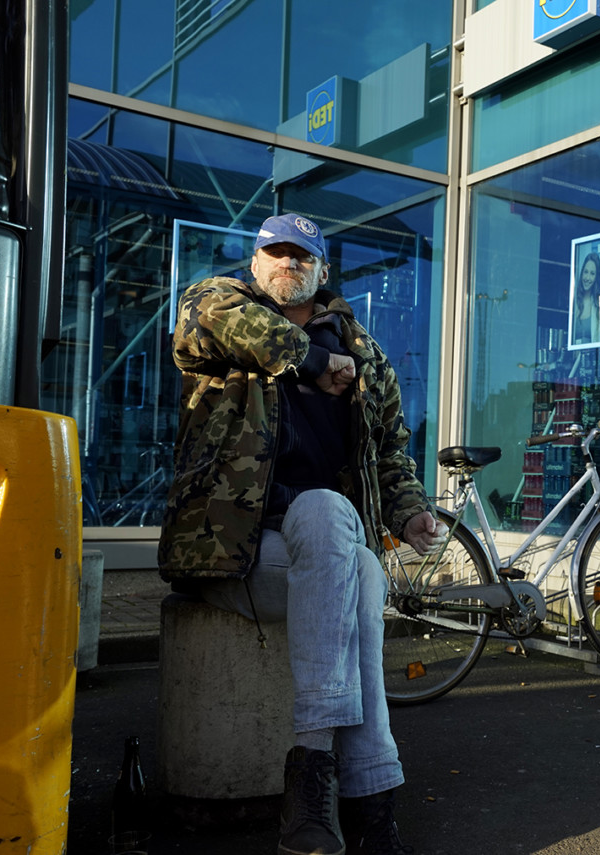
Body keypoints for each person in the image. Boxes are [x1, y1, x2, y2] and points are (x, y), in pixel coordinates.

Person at [158, 213, 443, 855]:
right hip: (233, 559)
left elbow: (392, 452)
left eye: (302, 254)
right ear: (256, 264)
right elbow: (217, 319)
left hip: (322, 554)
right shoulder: (217, 310)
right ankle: (371, 801)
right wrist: (311, 361)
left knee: (346, 544)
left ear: (322, 270)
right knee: (343, 543)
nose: (288, 262)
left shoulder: (364, 352)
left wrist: (408, 513)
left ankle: (320, 783)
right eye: (275, 252)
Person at [571, 251, 600, 345]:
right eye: (586, 272)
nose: (587, 278)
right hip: (573, 358)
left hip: (591, 358)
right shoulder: (574, 302)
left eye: (592, 274)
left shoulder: (598, 305)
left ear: (596, 277)